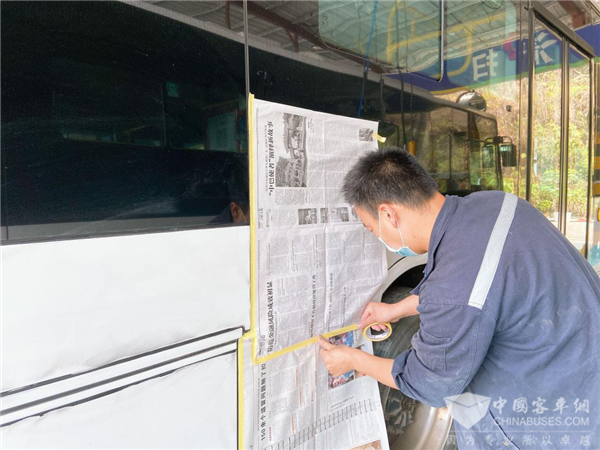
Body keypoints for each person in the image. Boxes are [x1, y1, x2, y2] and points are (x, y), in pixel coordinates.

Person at [317, 147, 600, 449]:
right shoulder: (495, 203)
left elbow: (429, 383)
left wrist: (354, 359)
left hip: (548, 415)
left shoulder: (453, 287)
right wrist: (398, 308)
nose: (377, 237)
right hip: (582, 364)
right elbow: (482, 286)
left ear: (388, 215)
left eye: (372, 229)